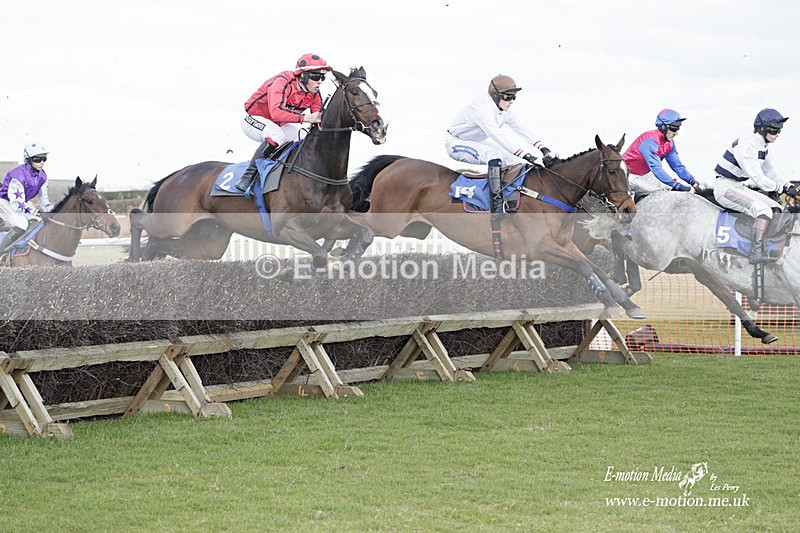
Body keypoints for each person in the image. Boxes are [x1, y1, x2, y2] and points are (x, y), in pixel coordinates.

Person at [445, 74, 559, 213]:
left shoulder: (503, 109)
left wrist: (543, 148)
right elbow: (498, 135)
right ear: (495, 95)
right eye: (508, 96)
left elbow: (521, 127)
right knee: (494, 156)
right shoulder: (481, 109)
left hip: (477, 141)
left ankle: (508, 198)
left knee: (512, 160)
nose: (511, 101)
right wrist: (527, 155)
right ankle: (496, 205)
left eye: (513, 97)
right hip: (456, 143)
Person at [235, 53, 331, 192]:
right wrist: (305, 118)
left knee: (303, 139)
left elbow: (319, 118)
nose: (320, 81)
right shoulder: (282, 81)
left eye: (322, 77)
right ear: (302, 75)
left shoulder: (314, 93)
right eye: (315, 76)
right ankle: (247, 177)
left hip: (278, 125)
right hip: (255, 119)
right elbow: (276, 112)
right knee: (276, 136)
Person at [714, 108, 797, 264]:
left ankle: (769, 247)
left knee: (775, 208)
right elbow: (758, 178)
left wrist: (788, 186)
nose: (778, 134)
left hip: (738, 186)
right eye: (774, 130)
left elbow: (772, 173)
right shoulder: (748, 145)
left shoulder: (764, 147)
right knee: (763, 210)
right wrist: (781, 188)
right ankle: (755, 253)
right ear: (762, 128)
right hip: (724, 188)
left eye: (780, 130)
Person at [623, 108, 698, 195]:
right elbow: (656, 168)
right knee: (657, 192)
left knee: (669, 189)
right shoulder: (649, 141)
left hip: (645, 175)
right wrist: (676, 185)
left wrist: (693, 182)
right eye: (674, 128)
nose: (676, 133)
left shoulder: (669, 143)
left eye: (678, 128)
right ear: (663, 127)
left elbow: (677, 166)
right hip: (627, 175)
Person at [0, 142, 53, 252]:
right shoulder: (17, 175)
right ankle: (1, 252)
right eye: (38, 159)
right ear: (28, 159)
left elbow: (43, 199)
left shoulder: (43, 175)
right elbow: (16, 203)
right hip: (5, 203)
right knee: (22, 224)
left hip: (21, 203)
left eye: (44, 158)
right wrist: (34, 211)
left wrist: (52, 210)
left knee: (38, 221)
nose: (42, 162)